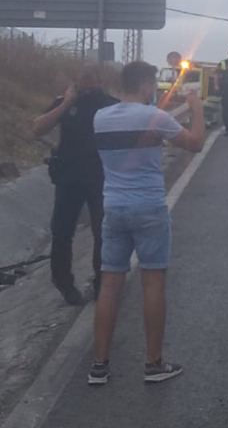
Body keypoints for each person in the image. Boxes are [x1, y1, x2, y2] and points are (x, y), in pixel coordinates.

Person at [89, 61, 206, 386]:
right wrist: (195, 108)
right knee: (153, 283)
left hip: (113, 208)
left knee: (110, 285)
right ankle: (153, 364)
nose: (153, 90)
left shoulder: (101, 118)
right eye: (152, 85)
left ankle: (99, 366)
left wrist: (172, 114)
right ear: (144, 85)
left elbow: (147, 131)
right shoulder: (153, 117)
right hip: (149, 209)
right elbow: (195, 142)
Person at [31, 66, 119, 305]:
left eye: (91, 78)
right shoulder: (65, 102)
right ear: (75, 81)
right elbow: (37, 129)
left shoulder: (111, 104)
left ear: (100, 80)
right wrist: (66, 103)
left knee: (103, 233)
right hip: (69, 177)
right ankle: (64, 284)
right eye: (82, 79)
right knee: (61, 232)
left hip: (100, 177)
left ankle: (101, 285)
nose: (87, 83)